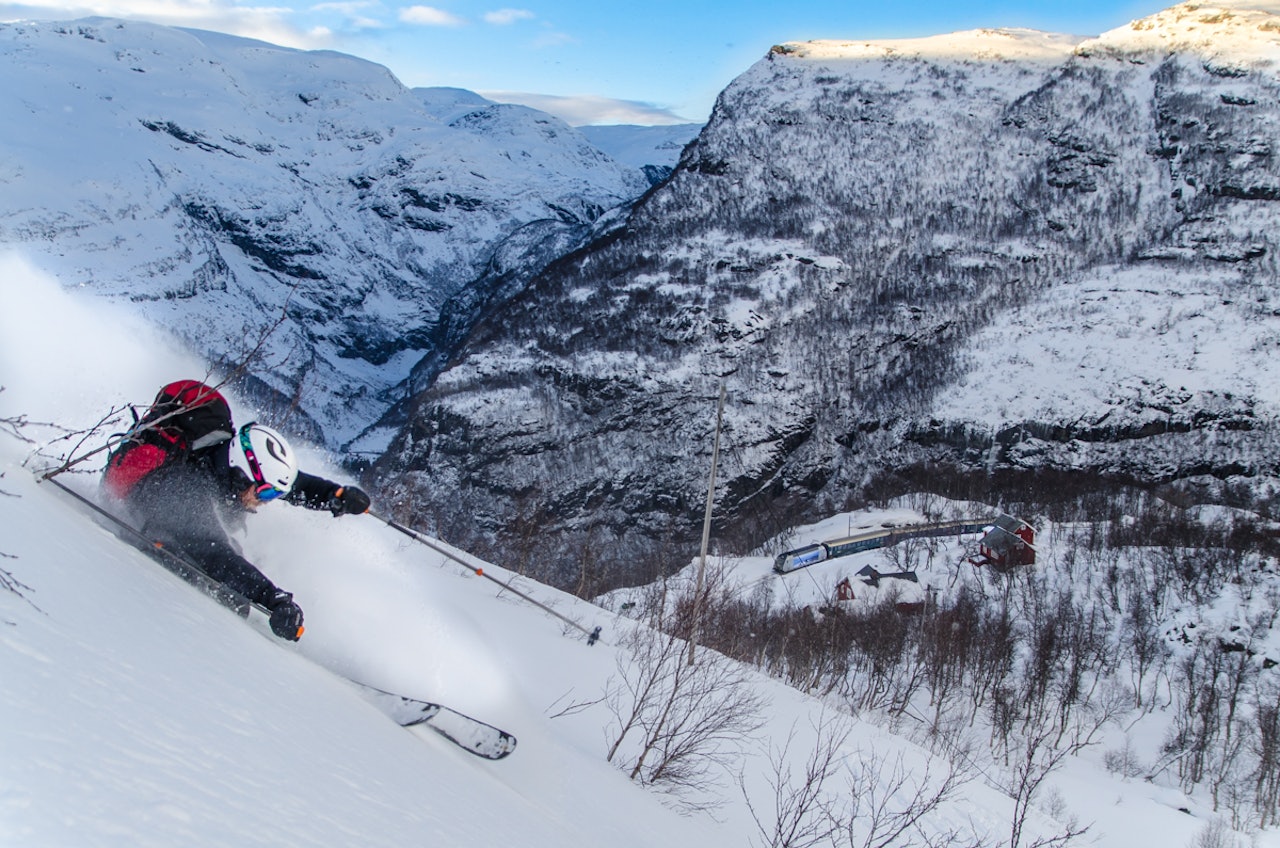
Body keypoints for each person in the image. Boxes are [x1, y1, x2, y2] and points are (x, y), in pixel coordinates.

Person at [102, 380, 371, 640]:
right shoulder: (186, 489)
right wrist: (273, 598)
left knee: (232, 567)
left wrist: (336, 496)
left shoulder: (222, 455)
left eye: (274, 494)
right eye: (266, 492)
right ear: (242, 474)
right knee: (226, 588)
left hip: (190, 528)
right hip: (155, 524)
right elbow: (216, 554)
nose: (267, 500)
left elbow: (293, 483)